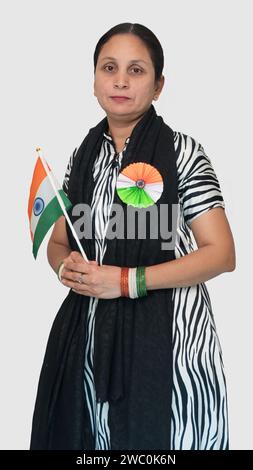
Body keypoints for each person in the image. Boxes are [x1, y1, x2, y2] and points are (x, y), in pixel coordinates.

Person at [30, 22, 236, 451]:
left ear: (159, 86)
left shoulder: (182, 153)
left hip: (173, 350)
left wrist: (126, 282)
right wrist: (64, 267)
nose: (120, 80)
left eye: (137, 70)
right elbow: (59, 243)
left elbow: (221, 254)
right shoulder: (81, 158)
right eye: (109, 67)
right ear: (94, 81)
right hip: (89, 345)